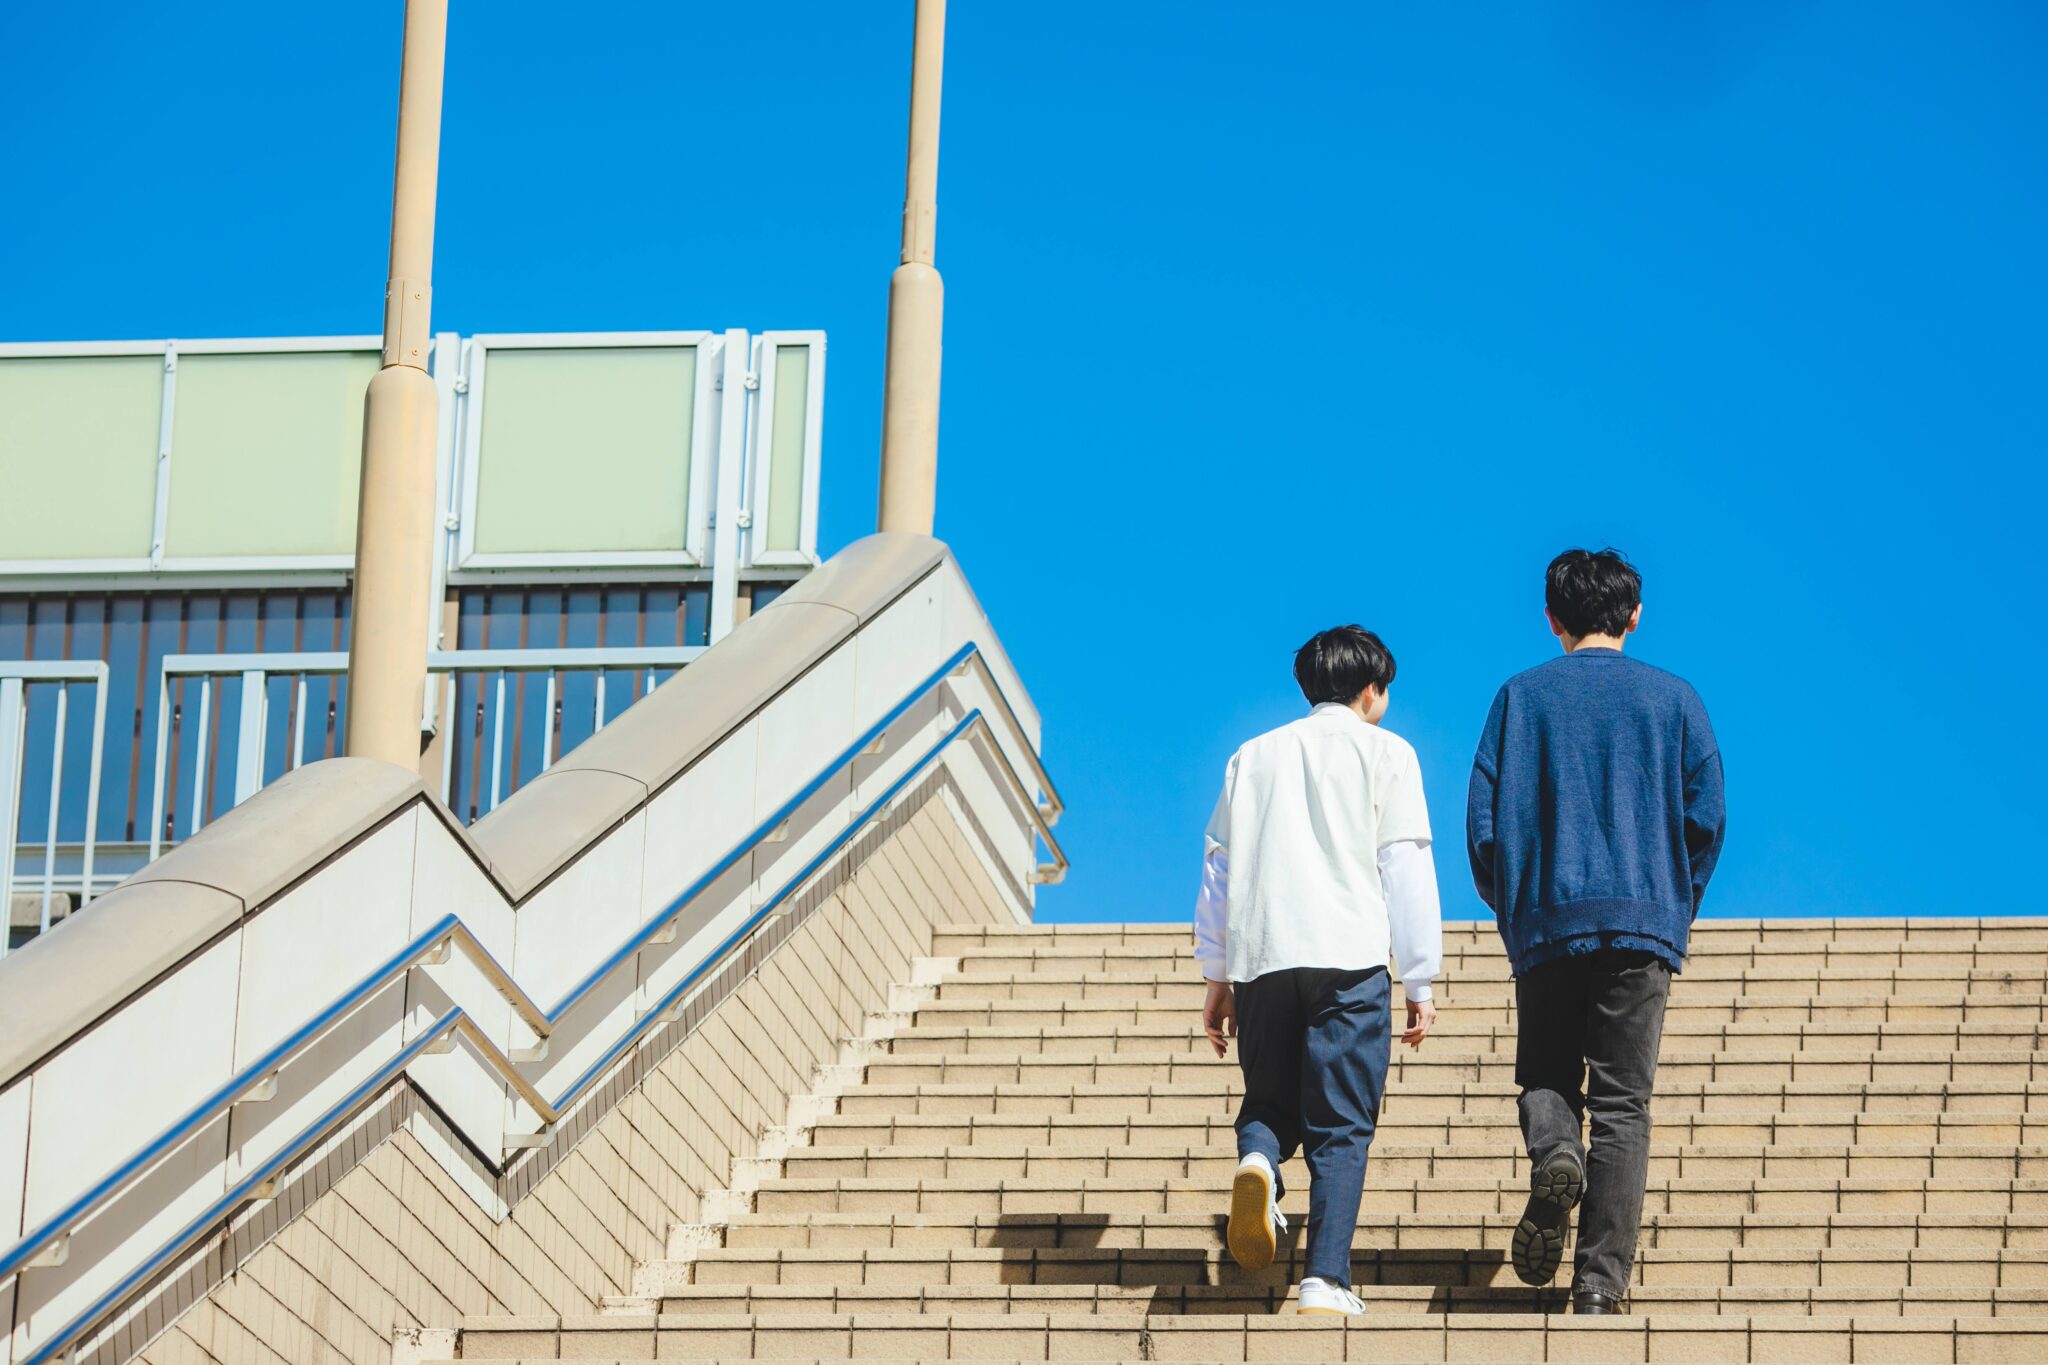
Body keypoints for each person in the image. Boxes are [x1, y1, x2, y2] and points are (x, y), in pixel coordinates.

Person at [1466, 548, 1727, 1315]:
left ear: (1552, 618)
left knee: (1546, 1074)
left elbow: (1484, 826)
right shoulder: (1675, 699)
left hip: (1549, 920)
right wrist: (1674, 902)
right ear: (1634, 613)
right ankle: (1599, 1284)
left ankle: (1556, 1154)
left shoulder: (1520, 698)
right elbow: (1705, 817)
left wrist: (1514, 906)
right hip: (1643, 924)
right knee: (1624, 1103)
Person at [1195, 625, 1445, 1317]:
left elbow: (1218, 866)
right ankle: (1324, 1277)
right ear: (1373, 689)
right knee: (1341, 1123)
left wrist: (1217, 974)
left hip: (1263, 957)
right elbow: (1406, 865)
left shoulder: (1252, 755)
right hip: (1350, 958)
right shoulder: (1389, 753)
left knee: (1270, 1099)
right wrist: (1419, 976)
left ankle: (1257, 1164)